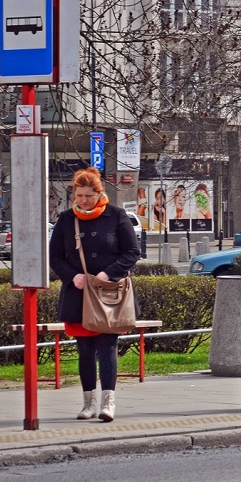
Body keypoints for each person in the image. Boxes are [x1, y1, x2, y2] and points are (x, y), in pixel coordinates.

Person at [49, 168, 141, 423]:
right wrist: (71, 276)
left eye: (89, 195)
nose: (83, 200)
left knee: (108, 346)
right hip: (78, 294)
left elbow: (132, 252)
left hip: (110, 294)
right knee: (85, 349)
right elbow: (54, 256)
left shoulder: (117, 216)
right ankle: (88, 403)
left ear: (100, 193)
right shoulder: (67, 220)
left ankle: (108, 402)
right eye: (79, 195)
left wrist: (109, 274)